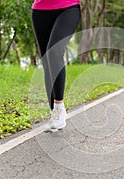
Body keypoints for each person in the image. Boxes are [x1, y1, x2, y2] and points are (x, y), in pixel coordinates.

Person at [31, 0, 81, 130]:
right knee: (47, 62)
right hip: (40, 11)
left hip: (68, 8)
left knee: (54, 52)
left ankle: (59, 107)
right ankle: (54, 111)